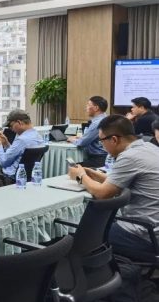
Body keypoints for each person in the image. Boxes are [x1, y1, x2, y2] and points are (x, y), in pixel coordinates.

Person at [68, 115, 159, 259]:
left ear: (114, 139)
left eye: (101, 140)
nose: (102, 145)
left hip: (145, 234)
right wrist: (94, 175)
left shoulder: (129, 156)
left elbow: (102, 194)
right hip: (153, 227)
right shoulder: (149, 147)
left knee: (81, 236)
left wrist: (80, 176)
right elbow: (125, 182)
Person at [0, 110, 44, 179]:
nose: (11, 129)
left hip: (10, 178)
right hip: (27, 177)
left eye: (11, 126)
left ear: (19, 122)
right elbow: (17, 154)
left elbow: (3, 162)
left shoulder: (21, 140)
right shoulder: (38, 137)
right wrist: (6, 144)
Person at [68, 96, 108, 167]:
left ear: (96, 108)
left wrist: (71, 139)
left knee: (73, 167)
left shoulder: (97, 123)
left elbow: (82, 143)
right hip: (104, 157)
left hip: (98, 159)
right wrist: (81, 137)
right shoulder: (105, 118)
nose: (86, 108)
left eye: (88, 105)